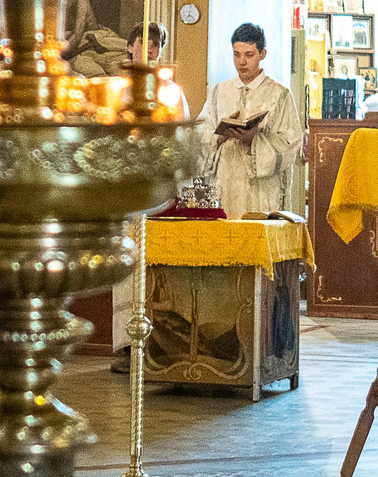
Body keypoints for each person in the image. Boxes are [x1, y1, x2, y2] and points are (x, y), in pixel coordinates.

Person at [113, 23, 187, 361]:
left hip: (158, 191)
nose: (150, 49)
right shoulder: (118, 90)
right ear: (130, 47)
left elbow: (180, 139)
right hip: (125, 188)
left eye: (156, 44)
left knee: (159, 268)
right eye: (144, 42)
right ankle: (126, 343)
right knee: (126, 264)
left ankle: (161, 344)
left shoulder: (171, 92)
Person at [195, 23, 303, 218]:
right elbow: (198, 134)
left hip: (262, 193)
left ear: (263, 54)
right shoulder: (220, 92)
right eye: (236, 54)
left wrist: (253, 139)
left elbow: (291, 144)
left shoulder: (279, 95)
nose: (242, 62)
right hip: (225, 187)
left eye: (249, 55)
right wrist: (218, 137)